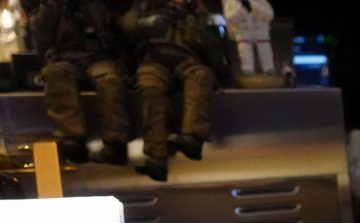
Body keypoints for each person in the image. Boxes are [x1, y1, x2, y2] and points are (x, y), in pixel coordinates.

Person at [119, 0, 217, 181]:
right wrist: (144, 23)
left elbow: (210, 43)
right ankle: (156, 156)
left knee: (201, 76)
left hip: (187, 59)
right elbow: (125, 25)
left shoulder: (193, 11)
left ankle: (193, 137)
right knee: (150, 87)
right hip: (154, 59)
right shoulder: (145, 6)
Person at [31, 0, 131, 164]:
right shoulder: (54, 6)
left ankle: (116, 142)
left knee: (109, 80)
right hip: (67, 57)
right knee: (55, 74)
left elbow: (123, 26)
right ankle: (72, 139)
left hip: (101, 56)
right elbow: (42, 32)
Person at [222, 0, 273, 77]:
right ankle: (247, 69)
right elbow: (229, 18)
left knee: (265, 48)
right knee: (244, 50)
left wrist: (254, 6)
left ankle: (269, 68)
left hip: (260, 30)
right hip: (243, 32)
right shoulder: (231, 2)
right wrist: (242, 9)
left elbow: (269, 14)